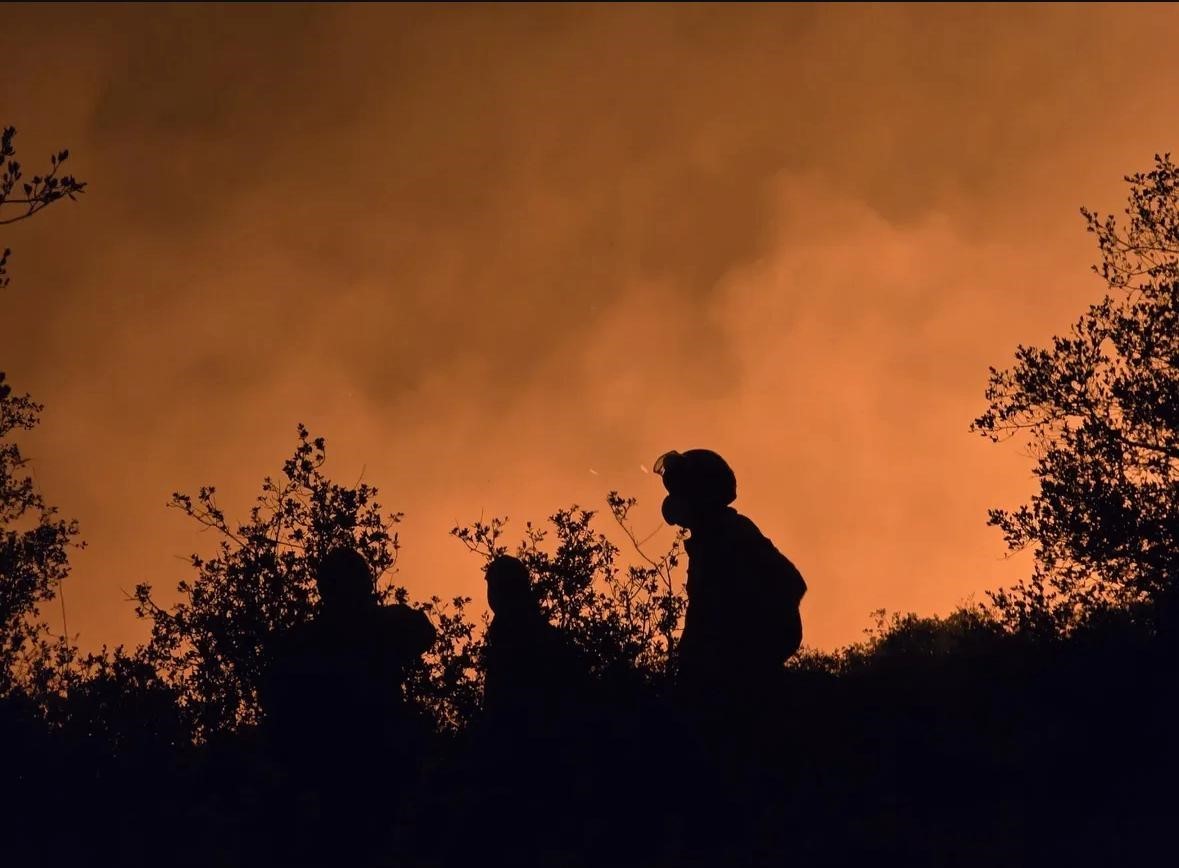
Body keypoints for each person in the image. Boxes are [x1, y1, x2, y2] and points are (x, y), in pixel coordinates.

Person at [260, 547, 436, 866]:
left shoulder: (315, 638)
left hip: (357, 771)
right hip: (345, 772)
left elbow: (422, 633)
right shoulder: (332, 635)